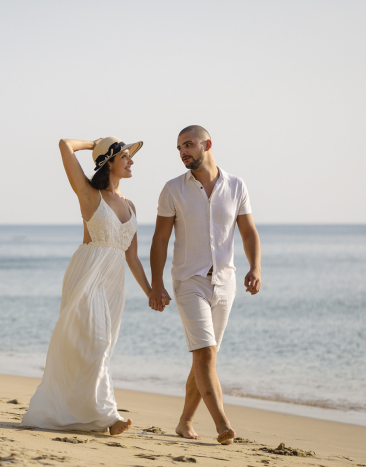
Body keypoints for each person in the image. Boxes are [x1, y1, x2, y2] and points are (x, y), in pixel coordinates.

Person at [22, 137, 152, 435]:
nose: (131, 161)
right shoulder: (90, 195)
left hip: (114, 281)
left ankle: (83, 414)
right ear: (109, 161)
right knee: (97, 342)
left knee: (100, 346)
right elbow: (64, 145)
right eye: (126, 156)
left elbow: (132, 256)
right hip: (88, 274)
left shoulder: (130, 206)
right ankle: (109, 415)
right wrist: (95, 144)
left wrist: (150, 291)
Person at [149, 125, 261, 445]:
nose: (183, 152)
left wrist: (255, 267)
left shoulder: (237, 186)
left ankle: (185, 422)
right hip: (188, 281)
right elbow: (160, 240)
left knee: (204, 357)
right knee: (206, 354)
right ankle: (223, 423)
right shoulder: (173, 189)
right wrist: (156, 284)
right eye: (179, 148)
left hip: (225, 283)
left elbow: (249, 232)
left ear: (207, 144)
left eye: (188, 145)